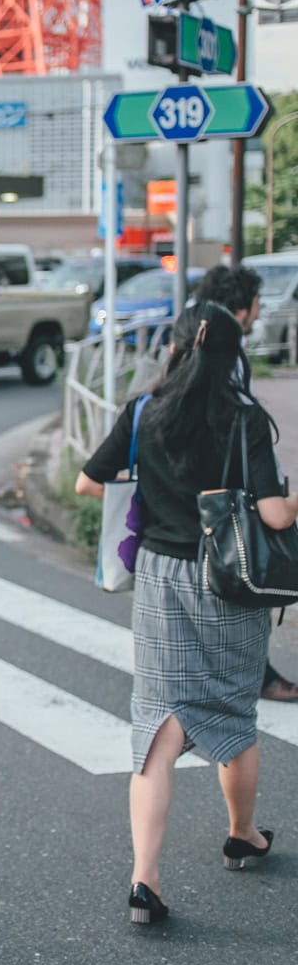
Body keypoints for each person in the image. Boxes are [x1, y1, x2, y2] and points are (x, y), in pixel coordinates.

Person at [76, 302, 298, 925]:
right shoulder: (243, 419)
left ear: (173, 350)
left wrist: (146, 481)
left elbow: (88, 484)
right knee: (231, 706)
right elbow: (277, 515)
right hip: (225, 578)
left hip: (158, 577)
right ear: (233, 357)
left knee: (159, 720)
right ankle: (242, 834)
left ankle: (144, 879)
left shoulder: (146, 411)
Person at [193, 265, 298, 702]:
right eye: (256, 305)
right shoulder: (230, 379)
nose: (259, 314)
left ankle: (255, 674)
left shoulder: (181, 363)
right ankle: (250, 677)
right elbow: (273, 510)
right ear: (241, 310)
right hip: (226, 511)